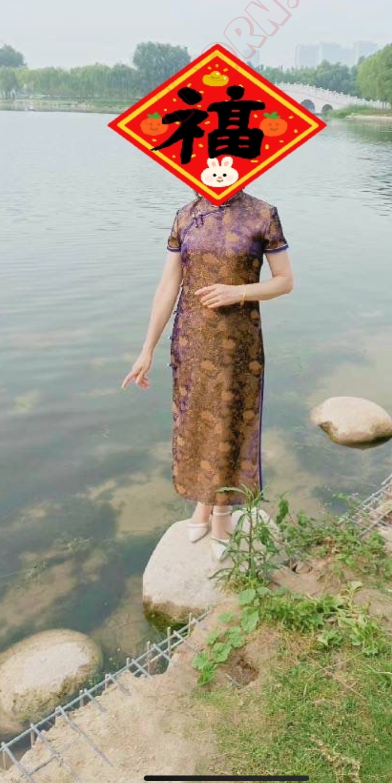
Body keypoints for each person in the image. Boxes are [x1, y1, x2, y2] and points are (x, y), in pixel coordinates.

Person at [122, 187, 293, 560]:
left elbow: (284, 281)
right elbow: (169, 285)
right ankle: (204, 502)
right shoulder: (186, 214)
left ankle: (221, 512)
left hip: (237, 341)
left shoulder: (262, 214)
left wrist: (239, 292)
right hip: (192, 338)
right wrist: (147, 348)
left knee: (230, 420)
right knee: (196, 421)